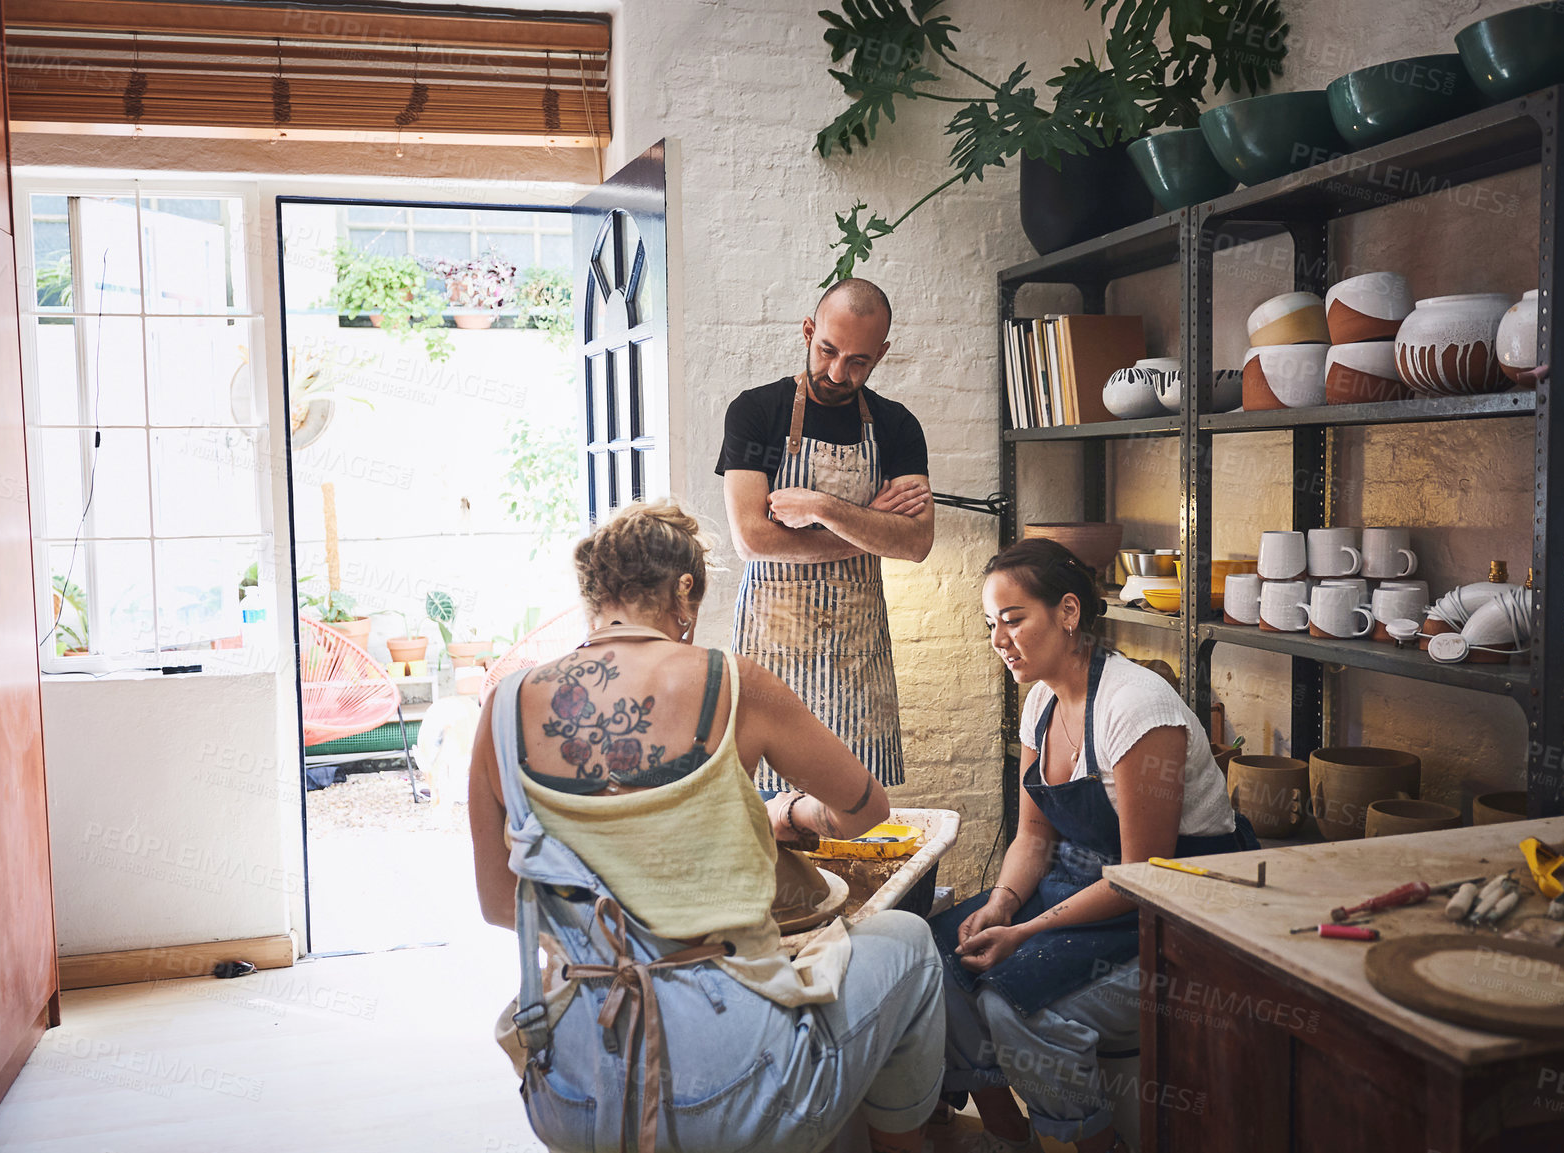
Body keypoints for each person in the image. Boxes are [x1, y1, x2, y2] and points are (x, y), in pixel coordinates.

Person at [469, 501, 945, 1153]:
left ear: (595, 595)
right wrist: (792, 814)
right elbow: (866, 809)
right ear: (684, 592)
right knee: (911, 944)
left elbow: (501, 905)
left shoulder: (502, 706)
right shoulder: (732, 678)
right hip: (730, 1083)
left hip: (575, 1091)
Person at [928, 539, 1258, 1153]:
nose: (999, 639)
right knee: (937, 955)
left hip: (1175, 907)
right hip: (1086, 886)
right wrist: (1002, 906)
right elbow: (1032, 837)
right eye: (990, 624)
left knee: (1013, 1002)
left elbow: (1142, 875)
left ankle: (1089, 1143)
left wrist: (1025, 934)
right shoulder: (1041, 703)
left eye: (1014, 619)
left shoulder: (1136, 708)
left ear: (1069, 613)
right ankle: (1011, 1138)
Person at [716, 277, 932, 791]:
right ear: (808, 331)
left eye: (858, 361)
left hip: (858, 664)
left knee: (857, 825)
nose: (837, 372)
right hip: (771, 656)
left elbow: (917, 543)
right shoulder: (755, 413)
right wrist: (867, 524)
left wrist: (821, 507)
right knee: (767, 822)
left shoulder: (897, 426)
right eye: (827, 350)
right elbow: (752, 539)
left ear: (880, 355)